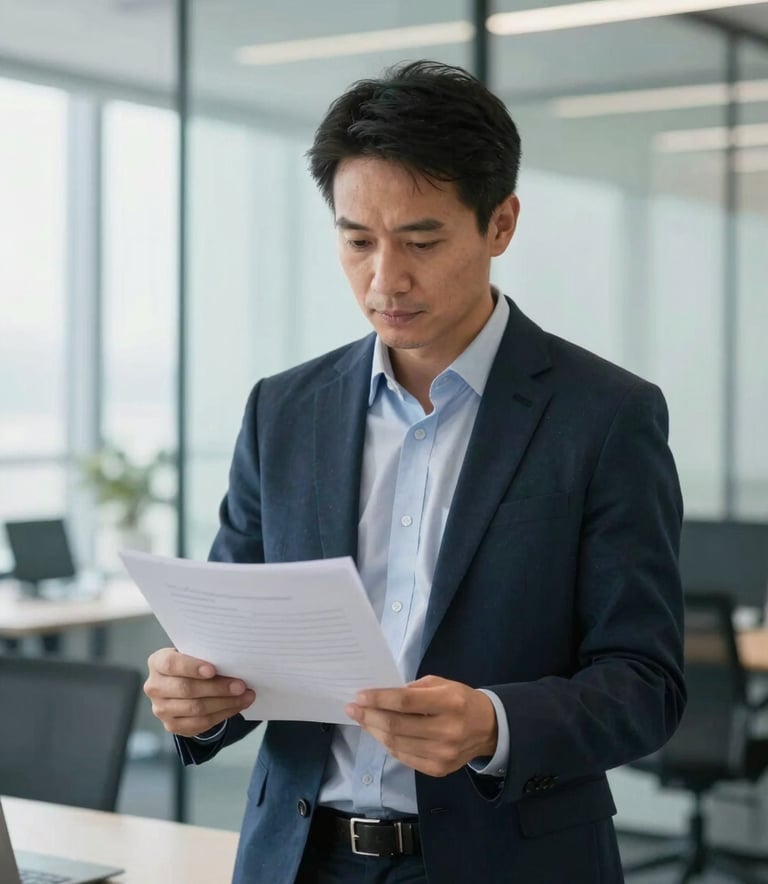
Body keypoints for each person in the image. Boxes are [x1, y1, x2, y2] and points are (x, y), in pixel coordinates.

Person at [144, 60, 685, 883]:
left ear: (500, 224)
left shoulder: (605, 416)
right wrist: (197, 700)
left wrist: (493, 723)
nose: (384, 280)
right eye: (357, 241)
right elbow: (232, 636)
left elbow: (645, 681)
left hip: (506, 861)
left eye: (422, 241)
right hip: (296, 858)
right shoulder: (282, 410)